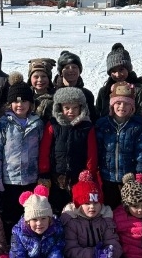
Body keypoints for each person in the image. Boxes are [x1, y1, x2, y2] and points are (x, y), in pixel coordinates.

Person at [0, 73, 44, 236]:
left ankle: (28, 244)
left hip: (30, 180)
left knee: (29, 216)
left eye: (24, 100)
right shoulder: (3, 125)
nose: (20, 104)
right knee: (9, 217)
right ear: (9, 103)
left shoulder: (37, 124)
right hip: (9, 181)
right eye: (16, 101)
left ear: (31, 103)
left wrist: (42, 176)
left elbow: (43, 151)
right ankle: (10, 246)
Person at [38, 85, 100, 215]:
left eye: (75, 107)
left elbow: (91, 153)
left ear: (81, 108)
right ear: (60, 108)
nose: (71, 111)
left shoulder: (86, 127)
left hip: (79, 176)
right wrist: (44, 171)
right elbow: (45, 149)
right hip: (56, 176)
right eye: (67, 108)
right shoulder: (53, 125)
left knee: (77, 208)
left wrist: (89, 173)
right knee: (56, 207)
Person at [95, 81, 142, 210]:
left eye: (126, 104)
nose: (122, 107)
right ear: (112, 105)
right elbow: (98, 149)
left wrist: (140, 173)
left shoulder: (137, 126)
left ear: (132, 107)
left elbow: (141, 152)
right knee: (109, 208)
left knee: (127, 208)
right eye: (118, 103)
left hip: (129, 177)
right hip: (107, 176)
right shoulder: (103, 124)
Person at [95, 43, 142, 117]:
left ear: (128, 69)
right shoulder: (104, 91)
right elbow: (98, 114)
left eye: (121, 69)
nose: (118, 74)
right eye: (113, 71)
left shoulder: (138, 92)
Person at [53, 50, 97, 121]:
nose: (71, 70)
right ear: (61, 72)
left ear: (79, 71)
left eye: (74, 67)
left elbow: (93, 119)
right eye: (67, 67)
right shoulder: (53, 93)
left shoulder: (87, 94)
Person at [27, 58, 56, 123]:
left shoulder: (55, 97)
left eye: (44, 76)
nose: (40, 80)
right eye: (36, 77)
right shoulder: (25, 96)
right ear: (30, 79)